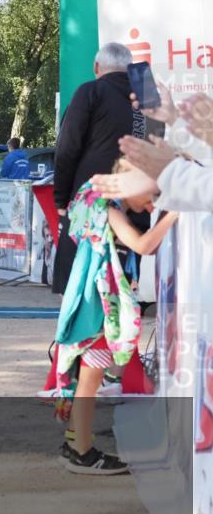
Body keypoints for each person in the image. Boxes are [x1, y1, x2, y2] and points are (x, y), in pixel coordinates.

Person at [51, 160, 177, 475]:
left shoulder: (89, 197)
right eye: (149, 196)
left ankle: (77, 443)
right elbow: (144, 245)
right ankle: (80, 451)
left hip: (84, 296)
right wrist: (175, 214)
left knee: (88, 376)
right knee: (91, 377)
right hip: (97, 302)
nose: (151, 204)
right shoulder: (109, 209)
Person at [51, 42, 163, 295]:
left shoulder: (91, 91)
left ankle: (88, 327)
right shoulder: (147, 95)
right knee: (124, 274)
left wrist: (61, 198)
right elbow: (159, 145)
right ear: (130, 67)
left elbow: (68, 148)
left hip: (94, 197)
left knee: (85, 279)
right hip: (136, 197)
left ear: (97, 67)